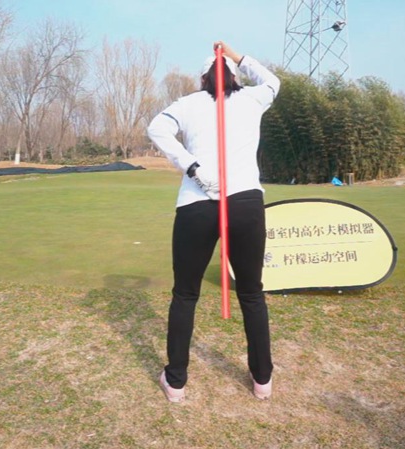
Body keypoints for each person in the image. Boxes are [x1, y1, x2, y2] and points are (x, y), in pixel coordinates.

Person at [147, 41, 280, 402]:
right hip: (246, 204)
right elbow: (273, 81)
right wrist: (237, 56)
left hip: (196, 205)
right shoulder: (253, 97)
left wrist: (191, 166)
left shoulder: (188, 103)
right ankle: (262, 380)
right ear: (235, 76)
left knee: (185, 294)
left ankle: (176, 383)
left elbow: (156, 128)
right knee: (251, 293)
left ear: (203, 78)